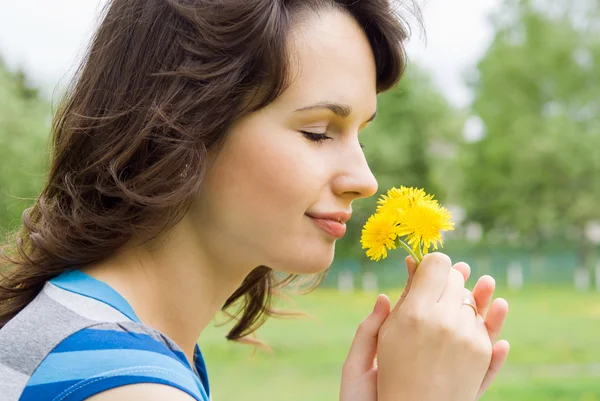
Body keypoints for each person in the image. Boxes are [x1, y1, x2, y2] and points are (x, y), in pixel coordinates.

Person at [0, 1, 510, 400]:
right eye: (317, 131)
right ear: (179, 129)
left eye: (360, 133)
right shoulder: (126, 387)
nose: (365, 179)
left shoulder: (99, 346)